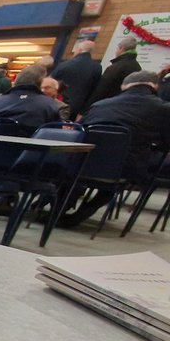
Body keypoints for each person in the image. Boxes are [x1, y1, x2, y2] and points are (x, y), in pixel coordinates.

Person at [59, 71, 170, 226]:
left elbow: (79, 132)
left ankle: (57, 210)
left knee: (79, 176)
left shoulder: (99, 105)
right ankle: (81, 214)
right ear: (155, 86)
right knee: (117, 178)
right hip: (125, 168)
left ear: (124, 86)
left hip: (84, 163)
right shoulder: (163, 109)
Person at [0, 66, 63, 132]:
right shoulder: (49, 105)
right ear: (40, 84)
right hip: (29, 153)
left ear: (16, 81)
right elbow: (56, 134)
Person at [51, 40, 101, 121]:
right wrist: (83, 112)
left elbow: (51, 81)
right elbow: (94, 91)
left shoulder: (65, 64)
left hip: (59, 103)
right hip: (78, 107)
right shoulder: (97, 67)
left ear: (80, 50)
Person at [86, 35, 141, 107]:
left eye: (117, 48)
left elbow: (100, 91)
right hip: (125, 106)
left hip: (106, 106)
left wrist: (86, 109)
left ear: (121, 48)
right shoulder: (138, 67)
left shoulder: (115, 67)